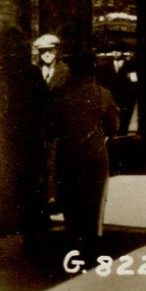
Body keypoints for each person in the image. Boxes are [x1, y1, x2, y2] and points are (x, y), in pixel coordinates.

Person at [49, 39, 122, 253]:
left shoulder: (60, 95)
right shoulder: (102, 94)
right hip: (95, 155)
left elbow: (50, 126)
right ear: (92, 70)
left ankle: (73, 239)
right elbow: (113, 127)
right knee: (94, 200)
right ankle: (91, 243)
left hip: (67, 154)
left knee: (71, 199)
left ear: (71, 71)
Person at [0, 23, 47, 244]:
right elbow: (45, 108)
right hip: (25, 141)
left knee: (0, 187)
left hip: (0, 140)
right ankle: (30, 238)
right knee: (29, 188)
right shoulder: (30, 72)